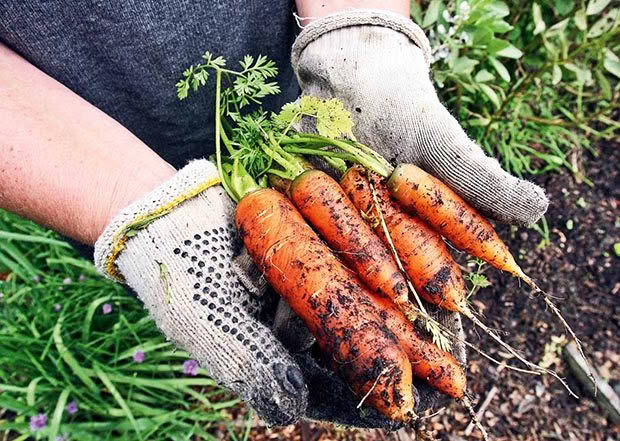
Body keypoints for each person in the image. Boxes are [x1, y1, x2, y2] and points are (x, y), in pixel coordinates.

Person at [0, 0, 548, 429]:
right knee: (202, 281)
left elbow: (362, 250)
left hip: (302, 95)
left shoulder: (328, 152)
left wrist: (358, 39)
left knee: (350, 270)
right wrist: (130, 203)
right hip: (78, 157)